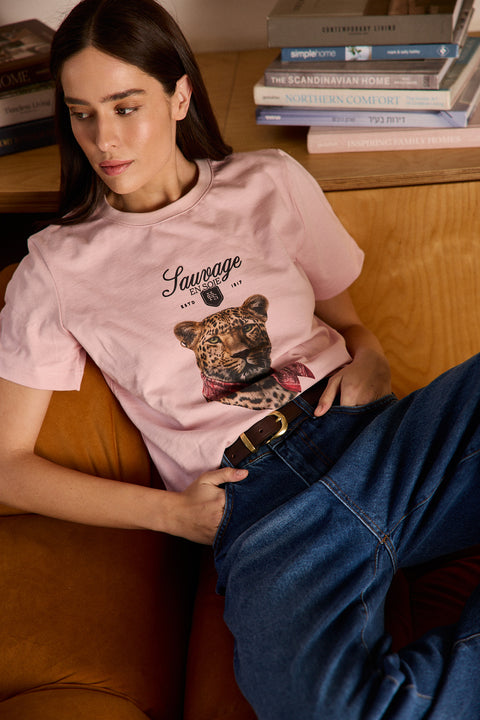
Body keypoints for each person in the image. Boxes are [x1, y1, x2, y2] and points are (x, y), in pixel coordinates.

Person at [0, 0, 479, 718]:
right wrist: (172, 515)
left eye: (126, 107)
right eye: (82, 114)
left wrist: (372, 355)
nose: (104, 138)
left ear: (179, 96)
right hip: (260, 506)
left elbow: (350, 322)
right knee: (329, 709)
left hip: (379, 441)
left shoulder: (269, 180)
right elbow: (7, 465)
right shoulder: (56, 268)